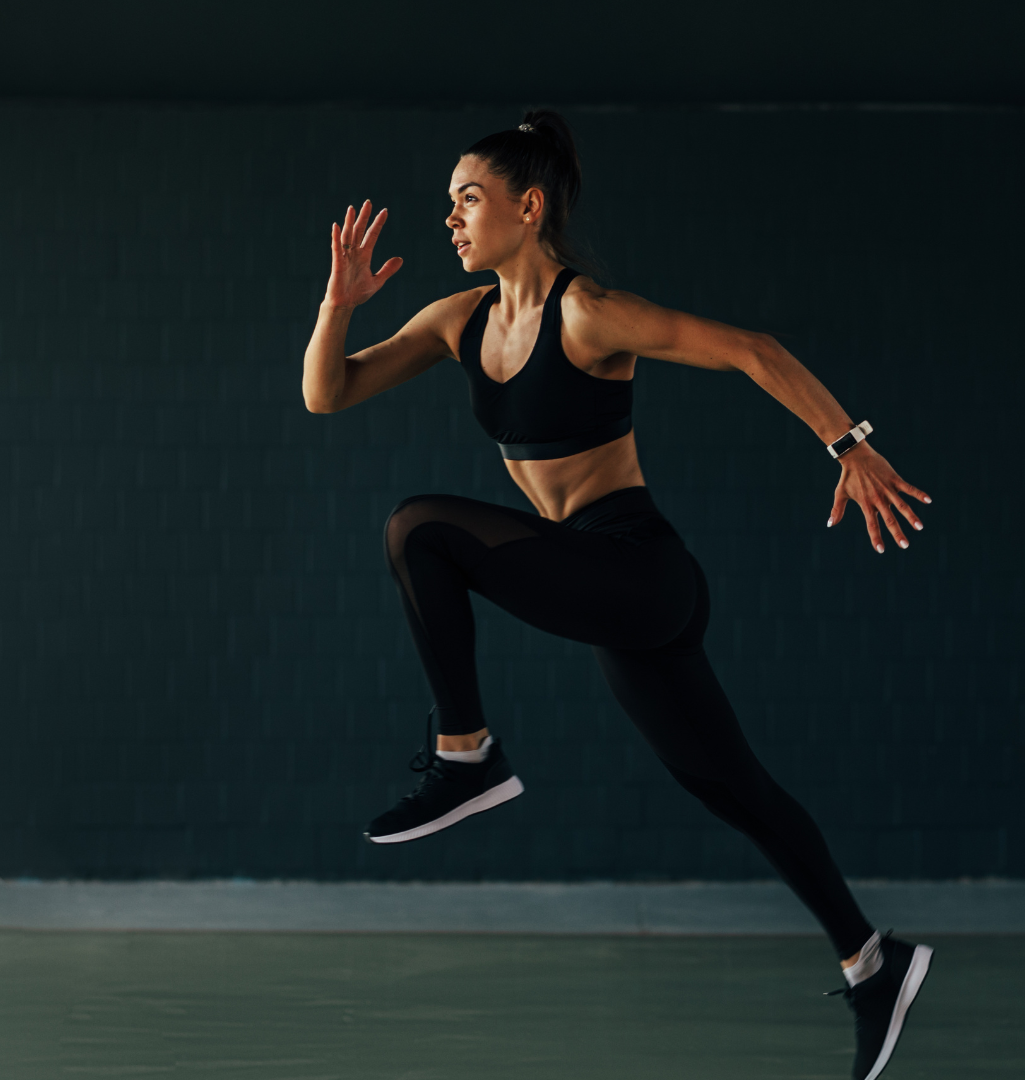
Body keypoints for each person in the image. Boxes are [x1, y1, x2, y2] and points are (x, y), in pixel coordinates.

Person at [300, 109, 933, 1080]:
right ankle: (873, 961)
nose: (453, 221)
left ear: (529, 204)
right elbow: (327, 393)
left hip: (638, 571)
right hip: (602, 586)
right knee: (733, 788)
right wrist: (338, 302)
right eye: (450, 205)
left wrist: (850, 447)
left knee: (417, 527)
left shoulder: (587, 312)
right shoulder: (458, 321)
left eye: (469, 199)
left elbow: (754, 349)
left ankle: (465, 755)